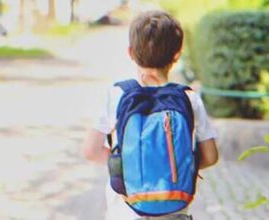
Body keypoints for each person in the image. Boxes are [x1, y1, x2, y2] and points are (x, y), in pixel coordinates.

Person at [82, 10, 219, 220]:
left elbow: (91, 151)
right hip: (174, 208)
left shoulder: (117, 95)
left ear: (130, 52)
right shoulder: (189, 98)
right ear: (177, 54)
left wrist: (131, 164)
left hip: (126, 210)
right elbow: (210, 156)